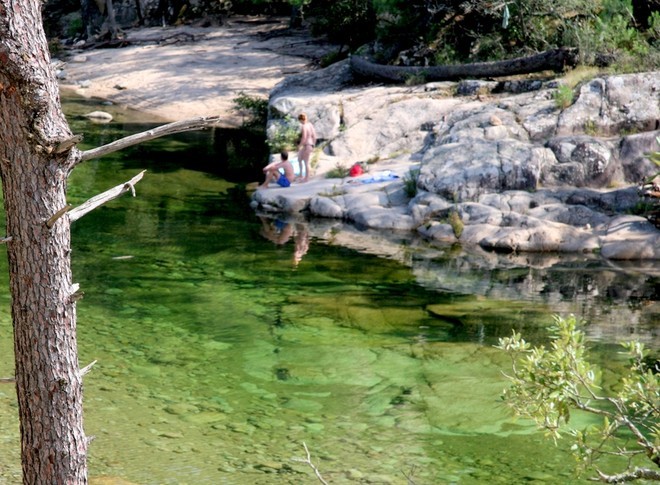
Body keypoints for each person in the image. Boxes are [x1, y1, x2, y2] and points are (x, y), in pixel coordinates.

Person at [296, 113, 316, 183]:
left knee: (306, 162)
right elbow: (314, 135)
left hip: (307, 145)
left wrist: (299, 146)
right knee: (299, 158)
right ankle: (301, 175)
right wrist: (313, 144)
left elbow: (304, 137)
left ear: (301, 120)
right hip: (309, 145)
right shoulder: (310, 125)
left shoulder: (304, 126)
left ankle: (306, 178)